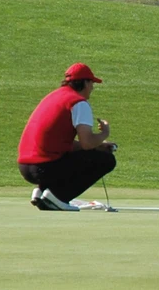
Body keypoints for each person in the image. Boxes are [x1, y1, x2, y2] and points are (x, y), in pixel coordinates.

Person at [16, 63, 117, 211]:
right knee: (106, 160)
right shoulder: (78, 103)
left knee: (82, 154)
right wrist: (104, 134)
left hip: (25, 167)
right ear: (85, 82)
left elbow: (61, 142)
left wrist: (99, 145)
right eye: (91, 83)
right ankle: (58, 196)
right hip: (44, 167)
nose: (92, 88)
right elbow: (87, 144)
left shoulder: (54, 96)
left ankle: (42, 192)